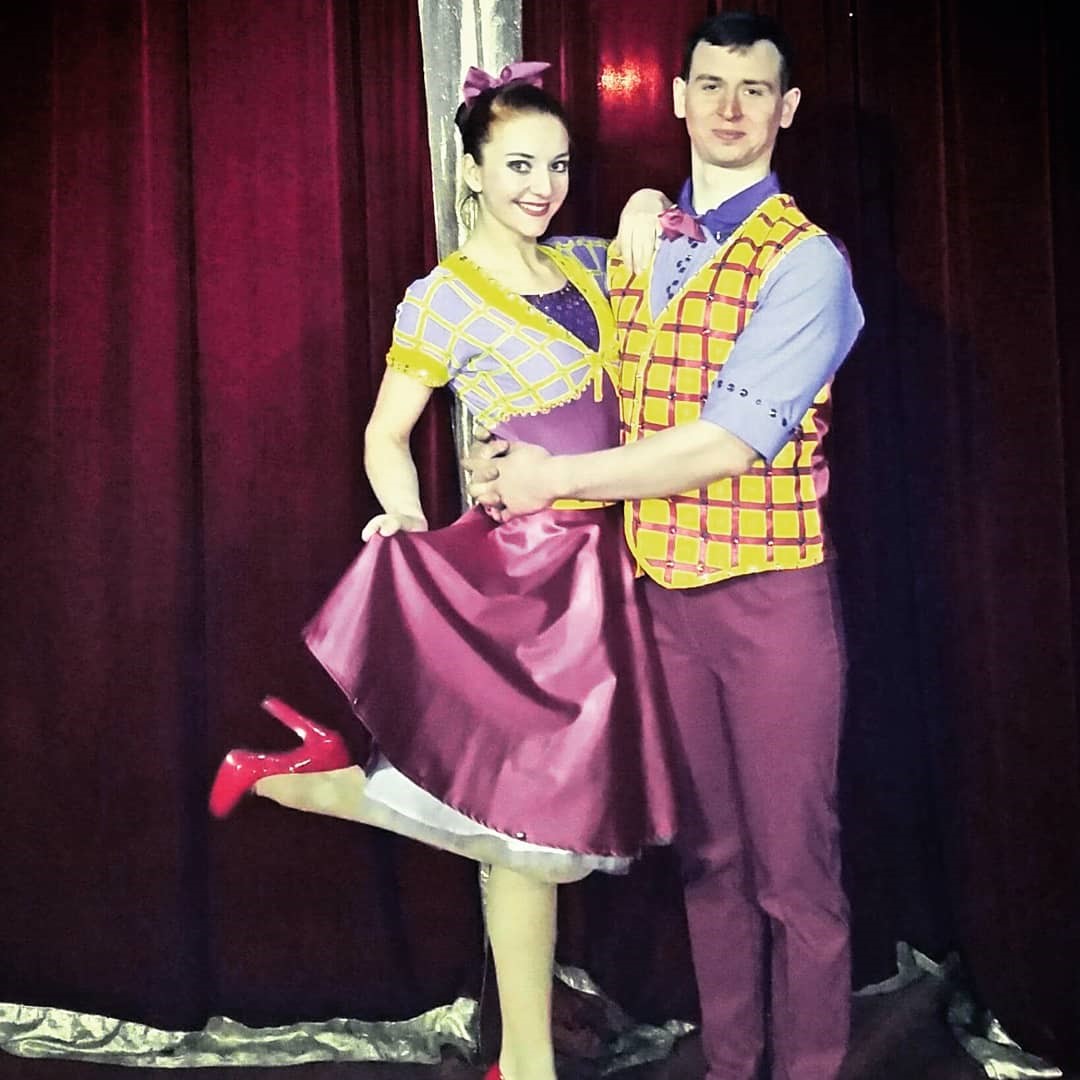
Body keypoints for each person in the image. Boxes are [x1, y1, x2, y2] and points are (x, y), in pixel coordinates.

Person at [209, 64, 677, 1080]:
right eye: (518, 165)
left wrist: (647, 198)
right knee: (533, 834)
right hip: (523, 577)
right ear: (471, 170)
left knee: (533, 835)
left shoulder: (588, 262)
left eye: (558, 165)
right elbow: (386, 433)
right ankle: (522, 1059)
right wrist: (407, 513)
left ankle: (521, 1059)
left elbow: (677, 254)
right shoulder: (444, 299)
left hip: (609, 565)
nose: (542, 186)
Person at [465, 14, 865, 1080]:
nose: (731, 107)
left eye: (755, 89)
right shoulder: (627, 249)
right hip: (660, 597)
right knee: (709, 857)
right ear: (679, 99)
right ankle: (732, 1066)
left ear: (786, 110)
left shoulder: (809, 264)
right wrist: (496, 457)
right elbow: (545, 358)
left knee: (795, 870)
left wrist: (557, 481)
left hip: (772, 598)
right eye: (712, 85)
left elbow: (726, 444)